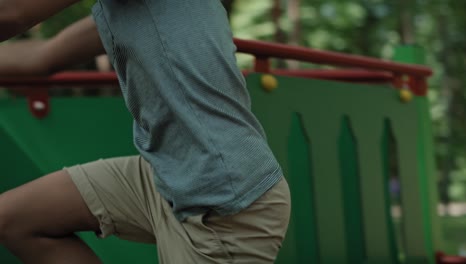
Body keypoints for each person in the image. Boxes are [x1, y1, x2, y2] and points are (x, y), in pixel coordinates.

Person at [0, 1, 291, 263]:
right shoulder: (128, 8)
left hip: (222, 202)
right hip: (167, 174)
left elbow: (11, 13)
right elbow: (42, 56)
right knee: (14, 220)